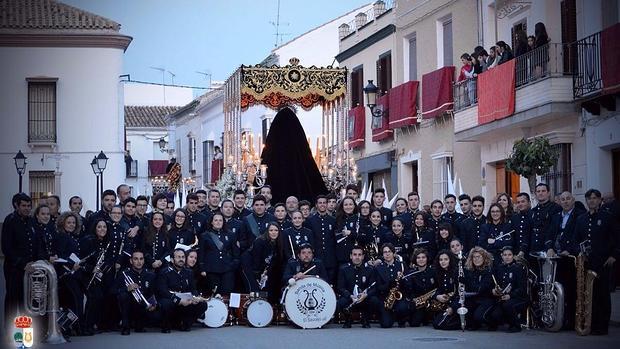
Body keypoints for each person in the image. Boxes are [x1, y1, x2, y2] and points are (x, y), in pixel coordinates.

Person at [575, 189, 618, 335]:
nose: (591, 201)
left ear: (600, 200)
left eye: (594, 198)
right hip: (587, 262)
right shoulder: (581, 218)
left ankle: (602, 327)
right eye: (589, 198)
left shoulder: (607, 217)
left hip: (603, 262)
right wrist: (579, 252)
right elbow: (577, 239)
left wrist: (614, 255)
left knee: (602, 295)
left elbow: (616, 238)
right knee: (588, 295)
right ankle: (589, 324)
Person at [545, 191, 586, 329]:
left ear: (573, 200)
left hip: (571, 258)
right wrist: (549, 247)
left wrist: (571, 250)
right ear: (559, 201)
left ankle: (572, 321)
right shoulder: (556, 216)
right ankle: (560, 320)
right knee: (558, 290)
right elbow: (550, 234)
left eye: (568, 199)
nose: (566, 201)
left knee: (571, 291)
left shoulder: (580, 215)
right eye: (563, 199)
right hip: (557, 258)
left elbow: (580, 237)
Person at [2, 193, 36, 332]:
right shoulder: (10, 221)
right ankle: (10, 329)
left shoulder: (31, 221)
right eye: (24, 206)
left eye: (29, 206)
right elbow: (6, 248)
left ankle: (24, 328)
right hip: (14, 268)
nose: (27, 208)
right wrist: (22, 264)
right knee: (13, 298)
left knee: (26, 299)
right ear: (16, 205)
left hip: (30, 266)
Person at [156, 248, 208, 333]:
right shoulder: (164, 272)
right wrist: (179, 301)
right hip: (171, 300)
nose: (181, 259)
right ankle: (168, 324)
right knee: (166, 303)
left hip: (186, 302)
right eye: (178, 257)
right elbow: (163, 292)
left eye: (183, 257)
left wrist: (195, 298)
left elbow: (193, 289)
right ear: (172, 260)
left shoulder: (189, 272)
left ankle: (185, 323)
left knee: (203, 304)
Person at [80, 218, 115, 334]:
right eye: (99, 227)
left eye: (104, 227)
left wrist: (103, 269)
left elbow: (110, 259)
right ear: (94, 228)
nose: (102, 229)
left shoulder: (107, 242)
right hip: (87, 275)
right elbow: (82, 260)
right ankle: (85, 326)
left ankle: (95, 325)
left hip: (100, 275)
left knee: (101, 297)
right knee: (94, 297)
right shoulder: (88, 240)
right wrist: (92, 269)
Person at [53, 211, 84, 335]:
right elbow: (60, 256)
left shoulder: (71, 236)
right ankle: (75, 327)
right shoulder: (62, 236)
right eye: (69, 222)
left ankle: (72, 327)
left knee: (73, 300)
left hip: (73, 273)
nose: (71, 225)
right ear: (62, 223)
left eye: (73, 222)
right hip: (65, 274)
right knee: (75, 300)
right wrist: (72, 264)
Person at [116, 250, 158, 335]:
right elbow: (114, 290)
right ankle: (125, 326)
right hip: (130, 306)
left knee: (157, 315)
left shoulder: (150, 275)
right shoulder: (124, 274)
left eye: (141, 259)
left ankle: (140, 324)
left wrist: (153, 303)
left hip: (144, 306)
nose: (139, 262)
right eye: (136, 259)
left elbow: (154, 292)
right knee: (123, 296)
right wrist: (127, 289)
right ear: (131, 261)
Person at [337, 246, 380, 328]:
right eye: (355, 254)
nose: (357, 257)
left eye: (359, 255)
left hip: (364, 298)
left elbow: (374, 287)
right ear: (351, 256)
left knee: (374, 300)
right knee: (340, 302)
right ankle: (348, 319)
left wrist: (365, 295)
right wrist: (350, 296)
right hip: (350, 298)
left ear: (363, 256)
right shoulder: (344, 269)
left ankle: (365, 319)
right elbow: (340, 287)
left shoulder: (370, 270)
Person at [240, 222, 283, 302]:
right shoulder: (260, 241)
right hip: (248, 266)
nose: (273, 232)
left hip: (261, 268)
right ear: (267, 231)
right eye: (271, 230)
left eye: (276, 230)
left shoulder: (277, 243)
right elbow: (257, 260)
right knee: (253, 289)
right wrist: (258, 276)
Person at [489, 246, 528, 332]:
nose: (507, 257)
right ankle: (505, 322)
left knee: (508, 305)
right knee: (495, 315)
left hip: (518, 298)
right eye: (505, 255)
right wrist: (495, 290)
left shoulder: (518, 268)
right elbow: (494, 284)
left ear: (513, 256)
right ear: (501, 256)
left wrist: (510, 295)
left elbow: (522, 288)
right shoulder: (498, 268)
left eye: (509, 255)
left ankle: (516, 326)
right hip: (502, 298)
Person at [199, 212, 240, 295]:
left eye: (220, 220)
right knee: (214, 294)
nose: (218, 222)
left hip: (227, 269)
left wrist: (233, 265)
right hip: (211, 269)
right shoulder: (205, 235)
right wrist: (202, 268)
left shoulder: (231, 234)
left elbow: (236, 253)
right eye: (216, 220)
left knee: (227, 293)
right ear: (212, 222)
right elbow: (201, 253)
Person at [375, 243, 410, 328]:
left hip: (399, 298)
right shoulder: (379, 268)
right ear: (382, 255)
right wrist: (390, 283)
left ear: (394, 253)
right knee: (386, 325)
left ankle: (401, 319)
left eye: (389, 252)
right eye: (385, 252)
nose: (387, 254)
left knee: (403, 307)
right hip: (386, 299)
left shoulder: (401, 265)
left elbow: (408, 285)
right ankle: (390, 315)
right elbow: (378, 287)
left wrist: (402, 279)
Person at [305, 195, 337, 283]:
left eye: (324, 203)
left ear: (327, 204)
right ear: (316, 205)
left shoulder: (333, 220)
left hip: (330, 258)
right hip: (316, 256)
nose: (322, 205)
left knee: (330, 282)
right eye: (320, 203)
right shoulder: (310, 220)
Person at [461, 247, 495, 330]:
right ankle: (475, 324)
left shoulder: (488, 270)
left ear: (484, 258)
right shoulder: (470, 270)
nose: (476, 259)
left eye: (479, 257)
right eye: (474, 257)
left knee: (479, 316)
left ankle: (494, 322)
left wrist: (466, 281)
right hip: (474, 298)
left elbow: (481, 288)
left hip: (486, 299)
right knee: (466, 311)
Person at [530, 183, 562, 255]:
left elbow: (555, 230)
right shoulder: (533, 211)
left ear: (548, 193)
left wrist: (550, 247)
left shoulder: (555, 208)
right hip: (534, 249)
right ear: (535, 194)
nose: (540, 193)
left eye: (543, 191)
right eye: (538, 191)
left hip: (548, 249)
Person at [408, 248, 436, 327]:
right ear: (415, 259)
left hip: (432, 300)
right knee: (414, 324)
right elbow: (411, 290)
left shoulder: (433, 271)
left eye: (423, 257)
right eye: (418, 258)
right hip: (420, 303)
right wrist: (414, 299)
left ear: (427, 259)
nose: (421, 260)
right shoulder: (412, 273)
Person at [431, 250, 459, 329]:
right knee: (437, 323)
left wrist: (453, 308)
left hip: (456, 304)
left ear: (450, 260)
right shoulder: (439, 273)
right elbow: (437, 289)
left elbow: (460, 293)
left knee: (440, 324)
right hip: (446, 304)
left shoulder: (456, 272)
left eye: (446, 259)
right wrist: (437, 296)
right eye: (441, 260)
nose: (443, 262)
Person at [334, 197, 361, 266]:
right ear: (342, 207)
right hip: (340, 258)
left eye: (350, 204)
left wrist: (351, 233)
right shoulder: (337, 220)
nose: (348, 207)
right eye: (345, 205)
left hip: (355, 257)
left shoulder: (359, 219)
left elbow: (364, 237)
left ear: (354, 206)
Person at [511, 192, 532, 259]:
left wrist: (523, 250)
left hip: (531, 253)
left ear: (529, 202)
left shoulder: (534, 216)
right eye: (518, 202)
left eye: (523, 201)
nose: (520, 204)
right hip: (516, 254)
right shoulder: (514, 218)